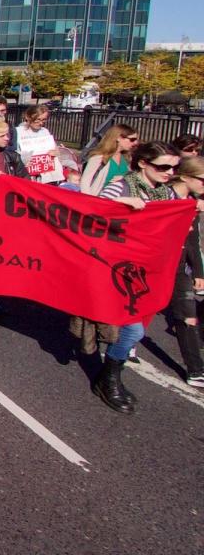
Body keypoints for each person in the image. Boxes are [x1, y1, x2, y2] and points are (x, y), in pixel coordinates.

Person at [92, 143, 181, 413]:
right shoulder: (121, 186)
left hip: (147, 268)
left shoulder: (168, 193)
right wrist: (121, 203)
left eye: (173, 168)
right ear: (143, 163)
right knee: (134, 328)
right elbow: (92, 209)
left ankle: (110, 375)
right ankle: (109, 379)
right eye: (162, 167)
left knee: (138, 322)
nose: (169, 172)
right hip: (115, 266)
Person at [169, 155, 204, 387]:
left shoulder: (192, 201)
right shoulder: (164, 197)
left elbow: (192, 239)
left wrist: (199, 272)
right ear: (185, 176)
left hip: (179, 267)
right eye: (202, 179)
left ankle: (195, 369)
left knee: (188, 316)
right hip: (155, 265)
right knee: (138, 315)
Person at [82, 125, 140, 196]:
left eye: (136, 140)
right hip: (100, 200)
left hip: (122, 201)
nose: (135, 143)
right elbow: (85, 182)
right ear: (118, 138)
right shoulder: (98, 158)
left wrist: (125, 178)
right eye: (132, 139)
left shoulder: (127, 158)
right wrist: (89, 202)